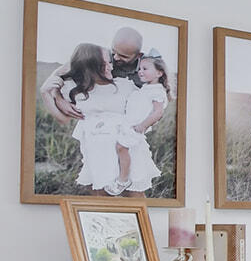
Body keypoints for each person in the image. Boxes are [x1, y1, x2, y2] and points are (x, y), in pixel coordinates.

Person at [59, 43, 131, 193]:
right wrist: (58, 100)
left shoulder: (123, 86)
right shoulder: (75, 90)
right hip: (95, 149)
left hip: (124, 151)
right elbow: (47, 88)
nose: (111, 67)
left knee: (134, 193)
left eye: (110, 62)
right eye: (104, 64)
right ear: (90, 65)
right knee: (98, 190)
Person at [40, 26, 144, 123]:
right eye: (114, 51)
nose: (115, 58)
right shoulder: (101, 55)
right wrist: (58, 98)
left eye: (123, 56)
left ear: (138, 55)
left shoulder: (148, 69)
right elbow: (58, 75)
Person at [110, 53, 170, 196]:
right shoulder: (146, 88)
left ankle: (123, 179)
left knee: (121, 147)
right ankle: (122, 176)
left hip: (136, 127)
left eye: (145, 69)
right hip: (129, 124)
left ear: (159, 73)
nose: (140, 72)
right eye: (140, 69)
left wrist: (143, 125)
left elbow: (157, 112)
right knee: (120, 148)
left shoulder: (157, 91)